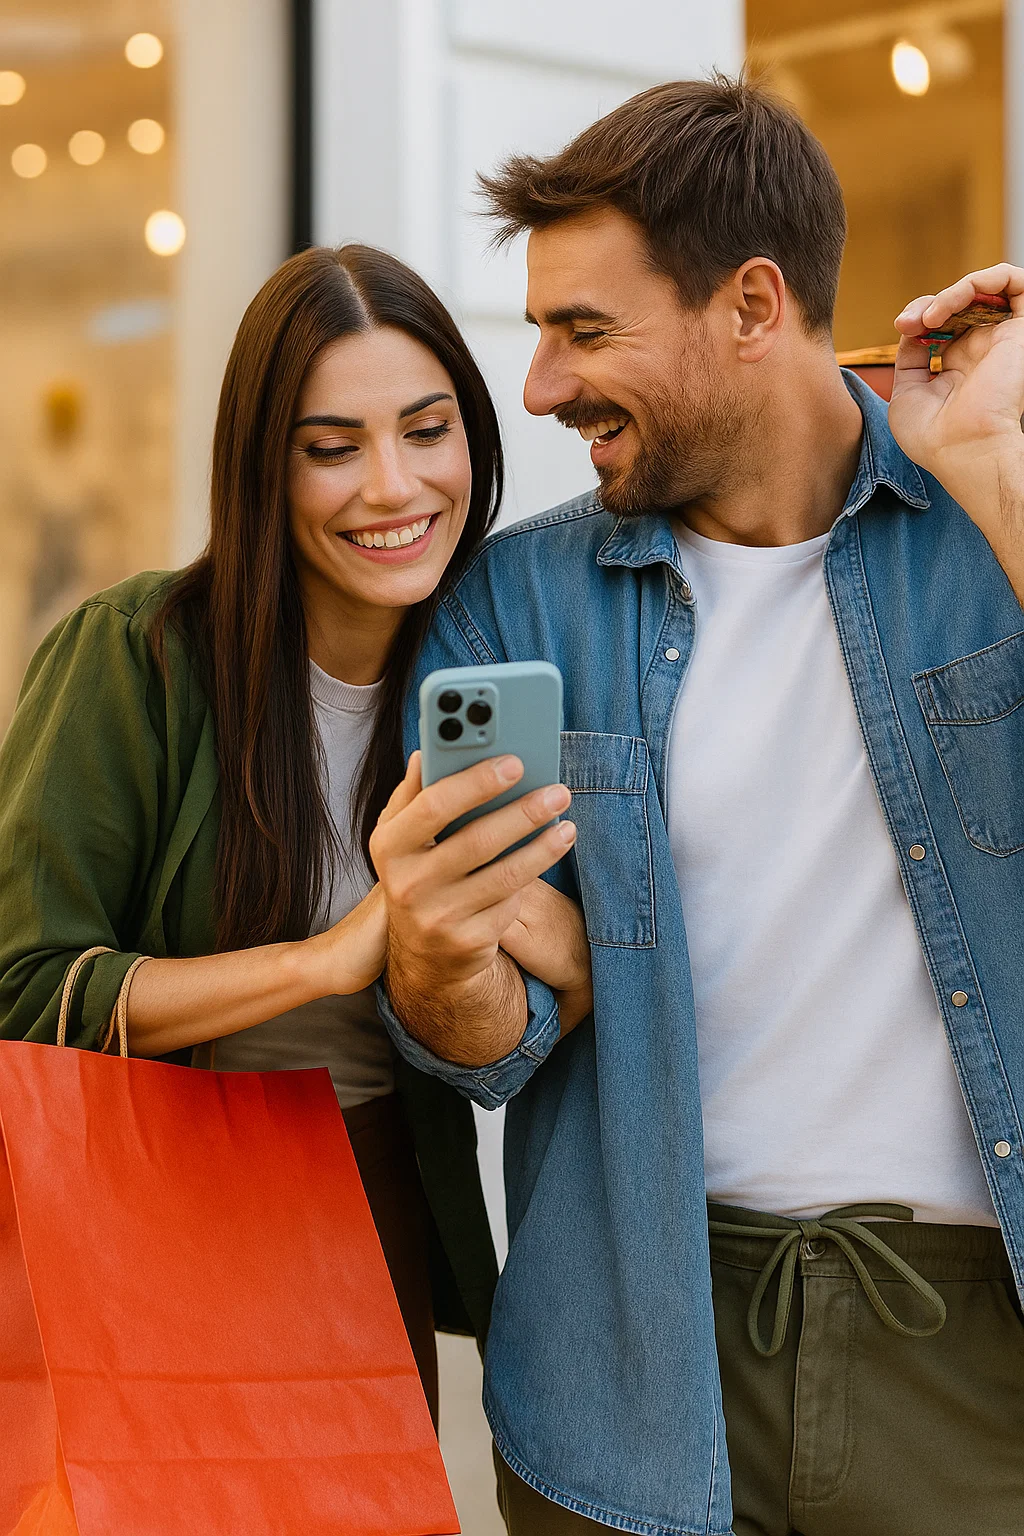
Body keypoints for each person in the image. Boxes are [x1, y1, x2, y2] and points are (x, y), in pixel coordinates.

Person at [369, 77, 1024, 1534]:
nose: (536, 388)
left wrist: (1000, 461)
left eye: (585, 332)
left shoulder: (989, 536)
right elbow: (495, 1048)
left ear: (750, 304)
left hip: (981, 1362)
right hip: (635, 1359)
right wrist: (432, 950)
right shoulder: (512, 604)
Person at [0, 243, 591, 1426]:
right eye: (332, 449)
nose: (392, 487)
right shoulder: (137, 654)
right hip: (149, 1207)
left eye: (427, 433)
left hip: (367, 1200)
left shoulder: (491, 682)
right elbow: (23, 987)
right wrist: (327, 960)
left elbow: (530, 1017)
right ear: (262, 471)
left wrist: (564, 951)